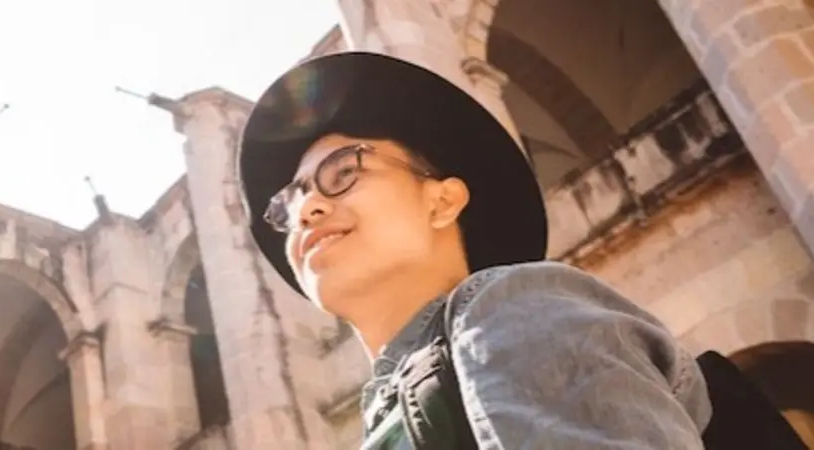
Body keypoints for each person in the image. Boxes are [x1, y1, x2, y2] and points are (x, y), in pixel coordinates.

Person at [236, 52, 715, 449]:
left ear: (442, 201)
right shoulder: (391, 407)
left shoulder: (508, 309)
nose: (307, 209)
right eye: (289, 204)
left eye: (344, 173)